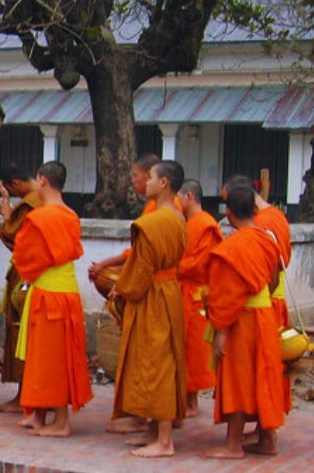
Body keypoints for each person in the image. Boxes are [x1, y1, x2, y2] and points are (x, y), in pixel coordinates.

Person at [200, 183, 286, 459]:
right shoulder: (267, 239)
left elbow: (226, 295)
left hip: (241, 319)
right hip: (264, 314)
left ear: (228, 213)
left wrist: (221, 331)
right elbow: (273, 280)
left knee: (238, 377)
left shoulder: (233, 247)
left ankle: (233, 444)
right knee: (264, 373)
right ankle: (266, 438)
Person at [109, 160, 188, 457]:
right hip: (169, 293)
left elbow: (140, 269)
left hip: (152, 296)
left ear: (164, 183)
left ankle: (165, 440)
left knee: (158, 365)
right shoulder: (178, 218)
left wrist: (121, 290)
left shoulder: (153, 223)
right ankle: (154, 431)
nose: (146, 181)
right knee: (156, 359)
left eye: (151, 177)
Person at [14, 161, 92, 436]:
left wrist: (26, 275)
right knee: (46, 355)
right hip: (66, 291)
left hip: (49, 294)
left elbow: (26, 257)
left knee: (53, 358)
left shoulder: (40, 218)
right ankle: (39, 414)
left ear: (42, 180)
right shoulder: (71, 215)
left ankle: (61, 422)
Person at [0, 163, 42, 413]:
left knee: (21, 333)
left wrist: (8, 215)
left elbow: (16, 241)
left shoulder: (28, 205)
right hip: (45, 278)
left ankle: (24, 395)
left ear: (15, 184)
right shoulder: (49, 200)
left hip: (26, 277)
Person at [176, 179, 221, 417]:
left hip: (195, 293)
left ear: (190, 196)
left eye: (179, 197)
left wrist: (175, 267)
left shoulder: (206, 224)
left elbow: (203, 262)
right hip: (183, 291)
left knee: (193, 348)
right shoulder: (189, 223)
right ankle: (185, 397)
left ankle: (191, 401)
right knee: (183, 347)